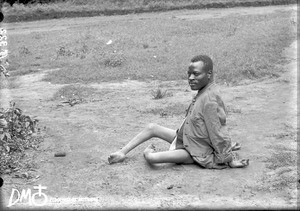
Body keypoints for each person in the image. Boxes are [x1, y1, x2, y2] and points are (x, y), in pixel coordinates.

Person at [108, 55, 249, 169]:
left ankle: (148, 153)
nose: (191, 78)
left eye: (196, 74)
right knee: (152, 128)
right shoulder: (204, 91)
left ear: (209, 74)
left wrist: (228, 159)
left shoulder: (210, 99)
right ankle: (121, 153)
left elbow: (217, 131)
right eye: (189, 74)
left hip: (195, 151)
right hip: (188, 138)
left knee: (152, 158)